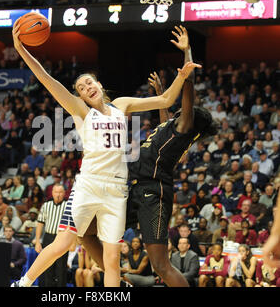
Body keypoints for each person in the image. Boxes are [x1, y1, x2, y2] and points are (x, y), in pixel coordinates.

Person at [11, 22, 200, 287]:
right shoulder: (81, 111)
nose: (87, 87)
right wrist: (22, 50)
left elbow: (167, 100)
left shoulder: (121, 105)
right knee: (63, 243)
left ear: (99, 84)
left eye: (89, 82)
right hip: (88, 184)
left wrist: (183, 71)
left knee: (111, 261)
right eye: (81, 88)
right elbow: (47, 80)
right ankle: (23, 283)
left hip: (116, 190)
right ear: (81, 97)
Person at [126, 26, 214, 287]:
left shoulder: (186, 127)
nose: (181, 111)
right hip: (137, 187)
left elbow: (189, 92)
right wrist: (160, 92)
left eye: (187, 111)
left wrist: (187, 53)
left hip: (154, 193)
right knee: (105, 230)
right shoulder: (171, 128)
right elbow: (165, 117)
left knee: (161, 266)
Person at [35, 184, 68, 287]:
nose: (58, 194)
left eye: (60, 192)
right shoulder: (46, 205)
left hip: (62, 238)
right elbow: (40, 224)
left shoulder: (68, 206)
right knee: (47, 265)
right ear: (52, 193)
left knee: (61, 267)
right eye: (56, 192)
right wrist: (37, 242)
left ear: (64, 194)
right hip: (48, 237)